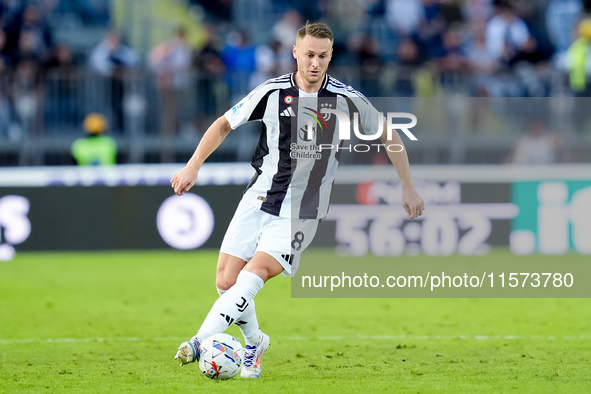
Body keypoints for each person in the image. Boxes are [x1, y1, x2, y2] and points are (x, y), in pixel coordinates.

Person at [170, 22, 425, 378]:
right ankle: (255, 342)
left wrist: (407, 185)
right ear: (295, 53)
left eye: (323, 56)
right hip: (259, 195)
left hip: (304, 207)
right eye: (309, 55)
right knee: (226, 282)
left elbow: (387, 132)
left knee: (253, 273)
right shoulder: (271, 92)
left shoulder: (346, 98)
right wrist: (193, 165)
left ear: (331, 56)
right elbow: (224, 124)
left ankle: (199, 341)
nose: (315, 63)